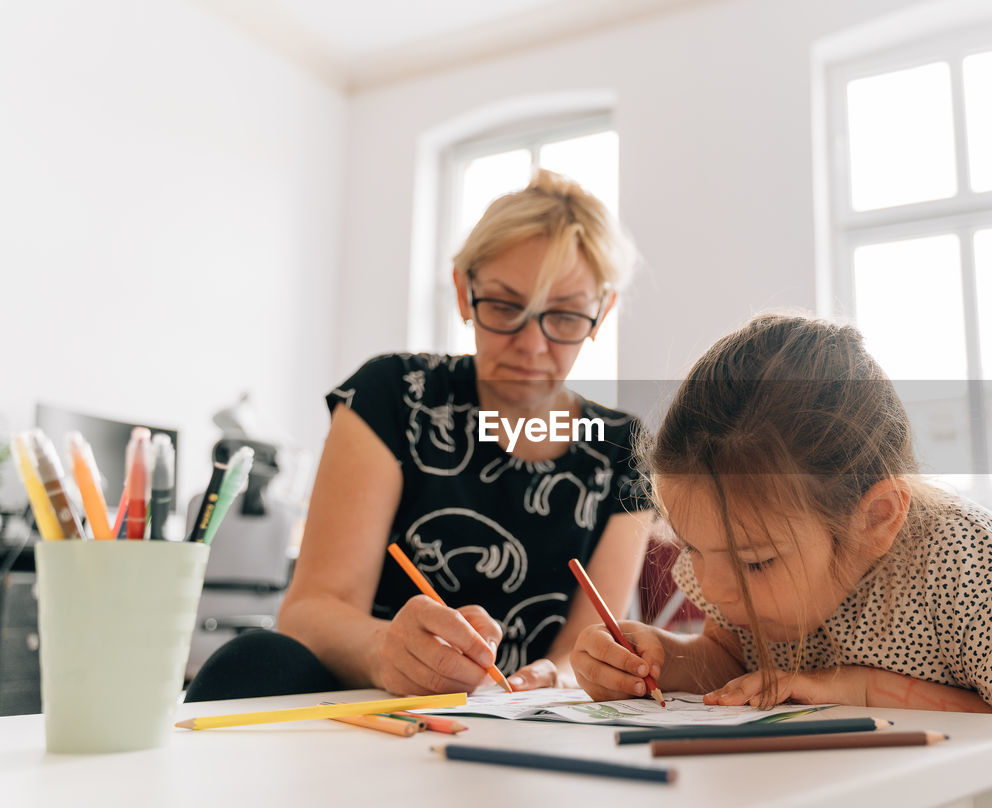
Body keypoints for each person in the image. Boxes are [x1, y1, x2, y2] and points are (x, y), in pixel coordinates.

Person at [570, 314, 992, 808]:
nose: (715, 588)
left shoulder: (975, 568)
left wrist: (865, 695)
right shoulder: (727, 565)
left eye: (755, 563)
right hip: (871, 798)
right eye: (694, 548)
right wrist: (659, 659)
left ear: (875, 519)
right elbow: (732, 660)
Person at [186, 169, 652, 701]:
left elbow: (587, 648)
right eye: (503, 306)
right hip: (376, 707)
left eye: (565, 317)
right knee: (254, 663)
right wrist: (384, 650)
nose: (532, 345)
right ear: (462, 290)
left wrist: (554, 678)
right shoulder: (394, 395)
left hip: (535, 726)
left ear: (602, 312)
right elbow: (311, 610)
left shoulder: (622, 448)